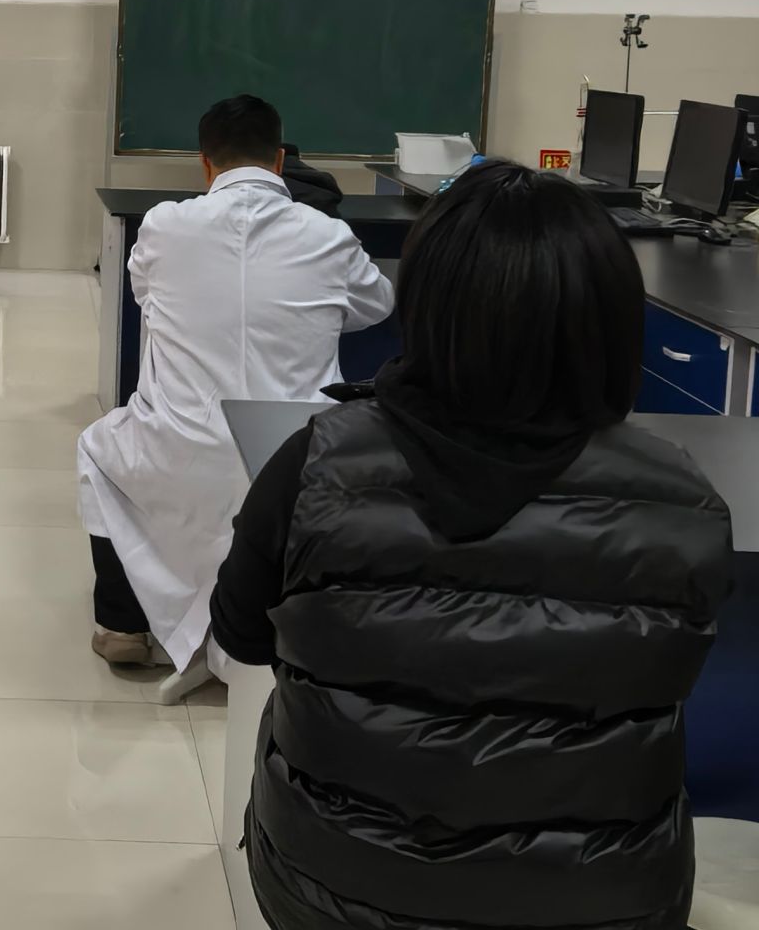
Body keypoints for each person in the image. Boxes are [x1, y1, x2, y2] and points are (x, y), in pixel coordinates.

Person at [213, 161, 733, 930]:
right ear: (611, 320)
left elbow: (241, 634)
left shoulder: (314, 465)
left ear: (427, 308)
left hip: (333, 891)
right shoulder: (684, 501)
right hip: (606, 903)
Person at [77, 94, 393, 672]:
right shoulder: (327, 234)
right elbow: (377, 305)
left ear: (205, 163)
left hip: (178, 446)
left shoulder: (163, 225)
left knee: (99, 449)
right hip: (296, 454)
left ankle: (123, 622)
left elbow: (146, 295)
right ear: (280, 160)